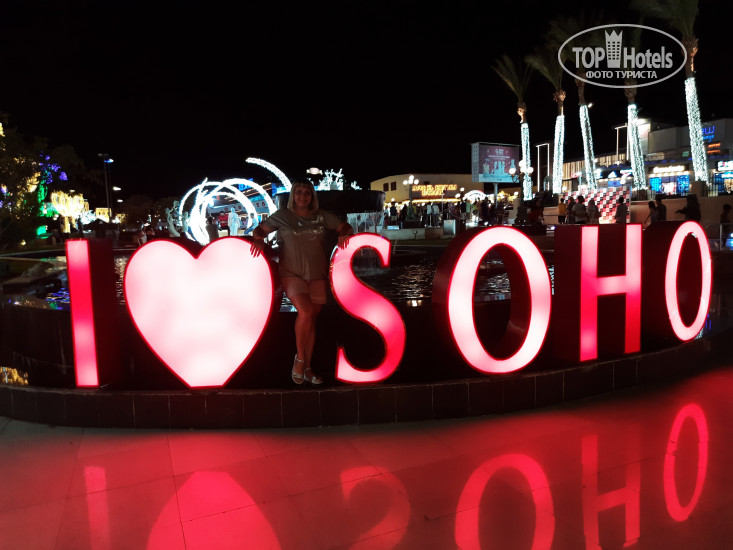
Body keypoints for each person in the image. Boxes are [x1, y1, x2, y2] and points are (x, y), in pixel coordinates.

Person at [250, 179, 353, 386]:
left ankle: (307, 368)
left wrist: (344, 234)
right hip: (291, 272)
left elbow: (345, 226)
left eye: (307, 193)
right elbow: (259, 230)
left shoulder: (321, 216)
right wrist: (258, 239)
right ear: (293, 195)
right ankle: (299, 360)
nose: (303, 196)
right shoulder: (283, 216)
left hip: (317, 273)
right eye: (299, 192)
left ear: (311, 196)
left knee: (311, 319)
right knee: (305, 312)